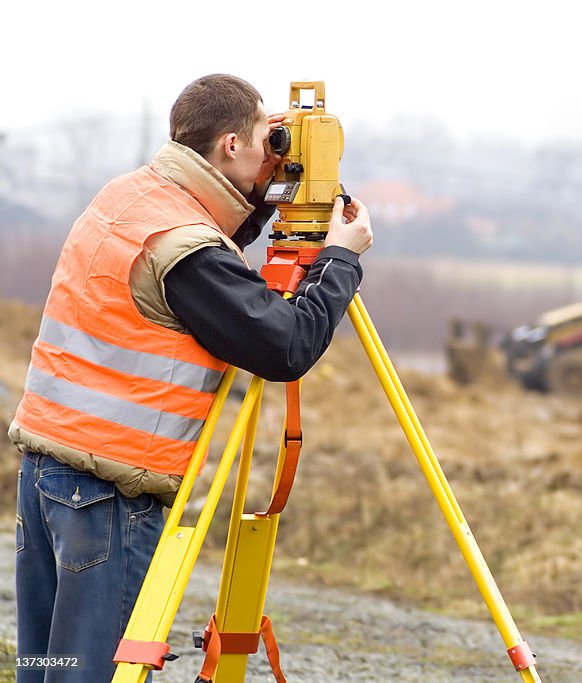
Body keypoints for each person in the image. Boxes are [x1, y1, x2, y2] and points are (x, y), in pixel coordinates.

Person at [8, 74, 372, 683]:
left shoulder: (130, 197)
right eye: (268, 137)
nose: (276, 149)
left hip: (47, 476)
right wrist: (340, 259)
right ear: (231, 145)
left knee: (52, 666)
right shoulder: (186, 248)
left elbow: (209, 251)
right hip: (109, 493)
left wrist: (265, 193)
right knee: (90, 673)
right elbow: (286, 346)